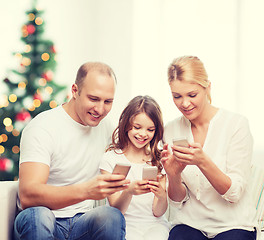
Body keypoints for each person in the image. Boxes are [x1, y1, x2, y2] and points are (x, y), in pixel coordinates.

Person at [14, 62, 130, 240]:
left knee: (110, 217)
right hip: (44, 219)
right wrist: (86, 191)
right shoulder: (42, 127)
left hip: (82, 222)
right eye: (93, 99)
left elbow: (137, 150)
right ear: (75, 91)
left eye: (108, 101)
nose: (100, 109)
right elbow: (28, 195)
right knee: (37, 216)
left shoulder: (106, 127)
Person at [161, 55, 258, 240]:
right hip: (190, 223)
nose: (185, 103)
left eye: (192, 95)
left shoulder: (236, 125)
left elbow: (234, 193)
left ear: (208, 88)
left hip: (233, 225)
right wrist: (173, 175)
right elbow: (177, 200)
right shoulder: (171, 130)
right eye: (177, 96)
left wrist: (202, 161)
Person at [100, 95, 170, 240]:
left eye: (150, 130)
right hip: (123, 226)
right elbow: (116, 211)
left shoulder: (158, 160)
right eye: (137, 127)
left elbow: (158, 212)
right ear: (126, 125)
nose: (143, 134)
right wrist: (129, 192)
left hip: (154, 226)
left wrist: (162, 196)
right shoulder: (111, 159)